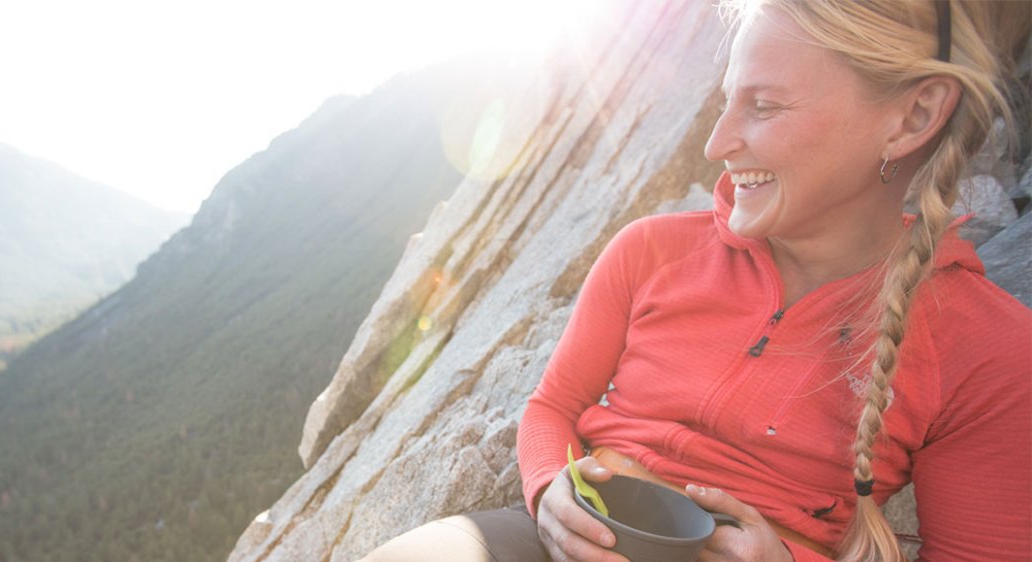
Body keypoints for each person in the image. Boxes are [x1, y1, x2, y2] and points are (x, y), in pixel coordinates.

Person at [361, 1, 1031, 561]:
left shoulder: (989, 350)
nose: (716, 143)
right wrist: (546, 493)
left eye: (763, 106)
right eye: (724, 103)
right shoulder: (650, 250)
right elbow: (552, 406)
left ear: (912, 117)